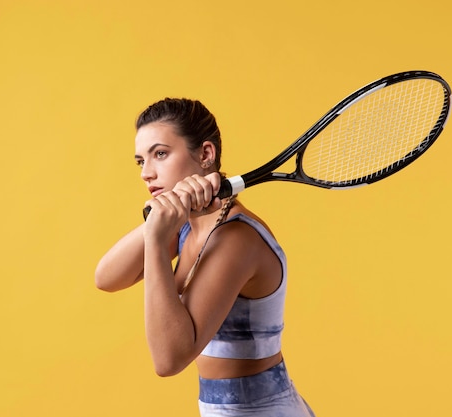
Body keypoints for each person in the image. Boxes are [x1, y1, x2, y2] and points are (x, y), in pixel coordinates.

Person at [95, 98, 315, 417]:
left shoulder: (234, 238)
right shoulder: (188, 223)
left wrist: (156, 241)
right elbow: (106, 278)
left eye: (160, 154)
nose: (146, 173)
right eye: (140, 161)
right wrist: (163, 218)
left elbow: (168, 360)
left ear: (205, 154)